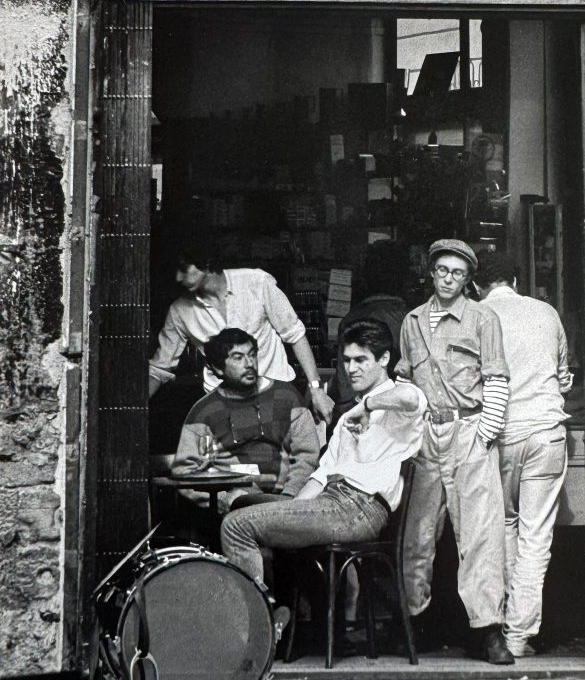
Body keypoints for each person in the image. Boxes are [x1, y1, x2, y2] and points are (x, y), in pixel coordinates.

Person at [221, 318, 427, 590]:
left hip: (360, 507)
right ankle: (283, 607)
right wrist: (290, 512)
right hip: (331, 502)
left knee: (235, 526)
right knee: (242, 503)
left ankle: (257, 622)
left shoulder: (397, 398)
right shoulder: (347, 418)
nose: (351, 369)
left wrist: (367, 405)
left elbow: (413, 400)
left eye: (361, 360)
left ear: (384, 358)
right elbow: (321, 476)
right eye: (346, 360)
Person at [395, 239, 513, 665]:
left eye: (458, 273)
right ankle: (416, 625)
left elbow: (498, 379)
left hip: (468, 431)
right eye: (442, 270)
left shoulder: (483, 318)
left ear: (469, 279)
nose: (448, 279)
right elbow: (405, 381)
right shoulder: (411, 321)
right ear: (431, 271)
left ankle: (488, 632)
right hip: (426, 434)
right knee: (418, 535)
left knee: (481, 536)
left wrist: (484, 433)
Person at [473, 250, 573, 657]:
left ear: (476, 285)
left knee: (503, 531)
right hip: (546, 432)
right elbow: (564, 377)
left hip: (498, 438)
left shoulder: (474, 317)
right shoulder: (546, 313)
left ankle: (504, 629)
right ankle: (519, 635)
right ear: (516, 279)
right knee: (536, 538)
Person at [149, 242, 333, 423]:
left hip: (276, 395)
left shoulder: (256, 282)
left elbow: (295, 334)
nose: (178, 278)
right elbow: (160, 367)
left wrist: (316, 389)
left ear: (205, 263)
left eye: (183, 269)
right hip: (224, 405)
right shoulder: (179, 310)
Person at [172, 328, 320, 512]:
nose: (249, 363)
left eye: (252, 355)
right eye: (238, 357)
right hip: (233, 506)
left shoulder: (286, 397)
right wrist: (222, 500)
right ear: (218, 368)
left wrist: (289, 500)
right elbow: (185, 472)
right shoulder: (205, 412)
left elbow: (306, 457)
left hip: (285, 502)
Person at [328, 240, 409, 421]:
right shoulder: (409, 319)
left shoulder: (350, 319)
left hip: (357, 414)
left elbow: (345, 384)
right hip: (397, 417)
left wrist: (347, 415)